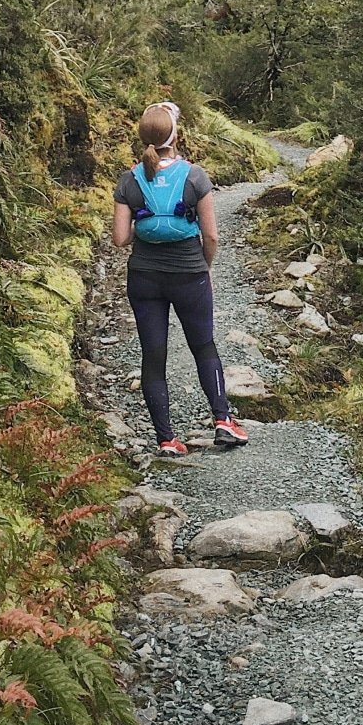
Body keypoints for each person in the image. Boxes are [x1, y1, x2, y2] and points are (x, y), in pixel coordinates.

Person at [112, 101, 249, 458]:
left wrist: (148, 221)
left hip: (144, 277)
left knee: (153, 355)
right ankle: (223, 420)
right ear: (175, 136)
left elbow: (120, 238)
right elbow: (212, 236)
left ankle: (166, 440)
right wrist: (205, 267)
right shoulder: (195, 176)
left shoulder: (128, 180)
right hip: (189, 273)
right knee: (203, 346)